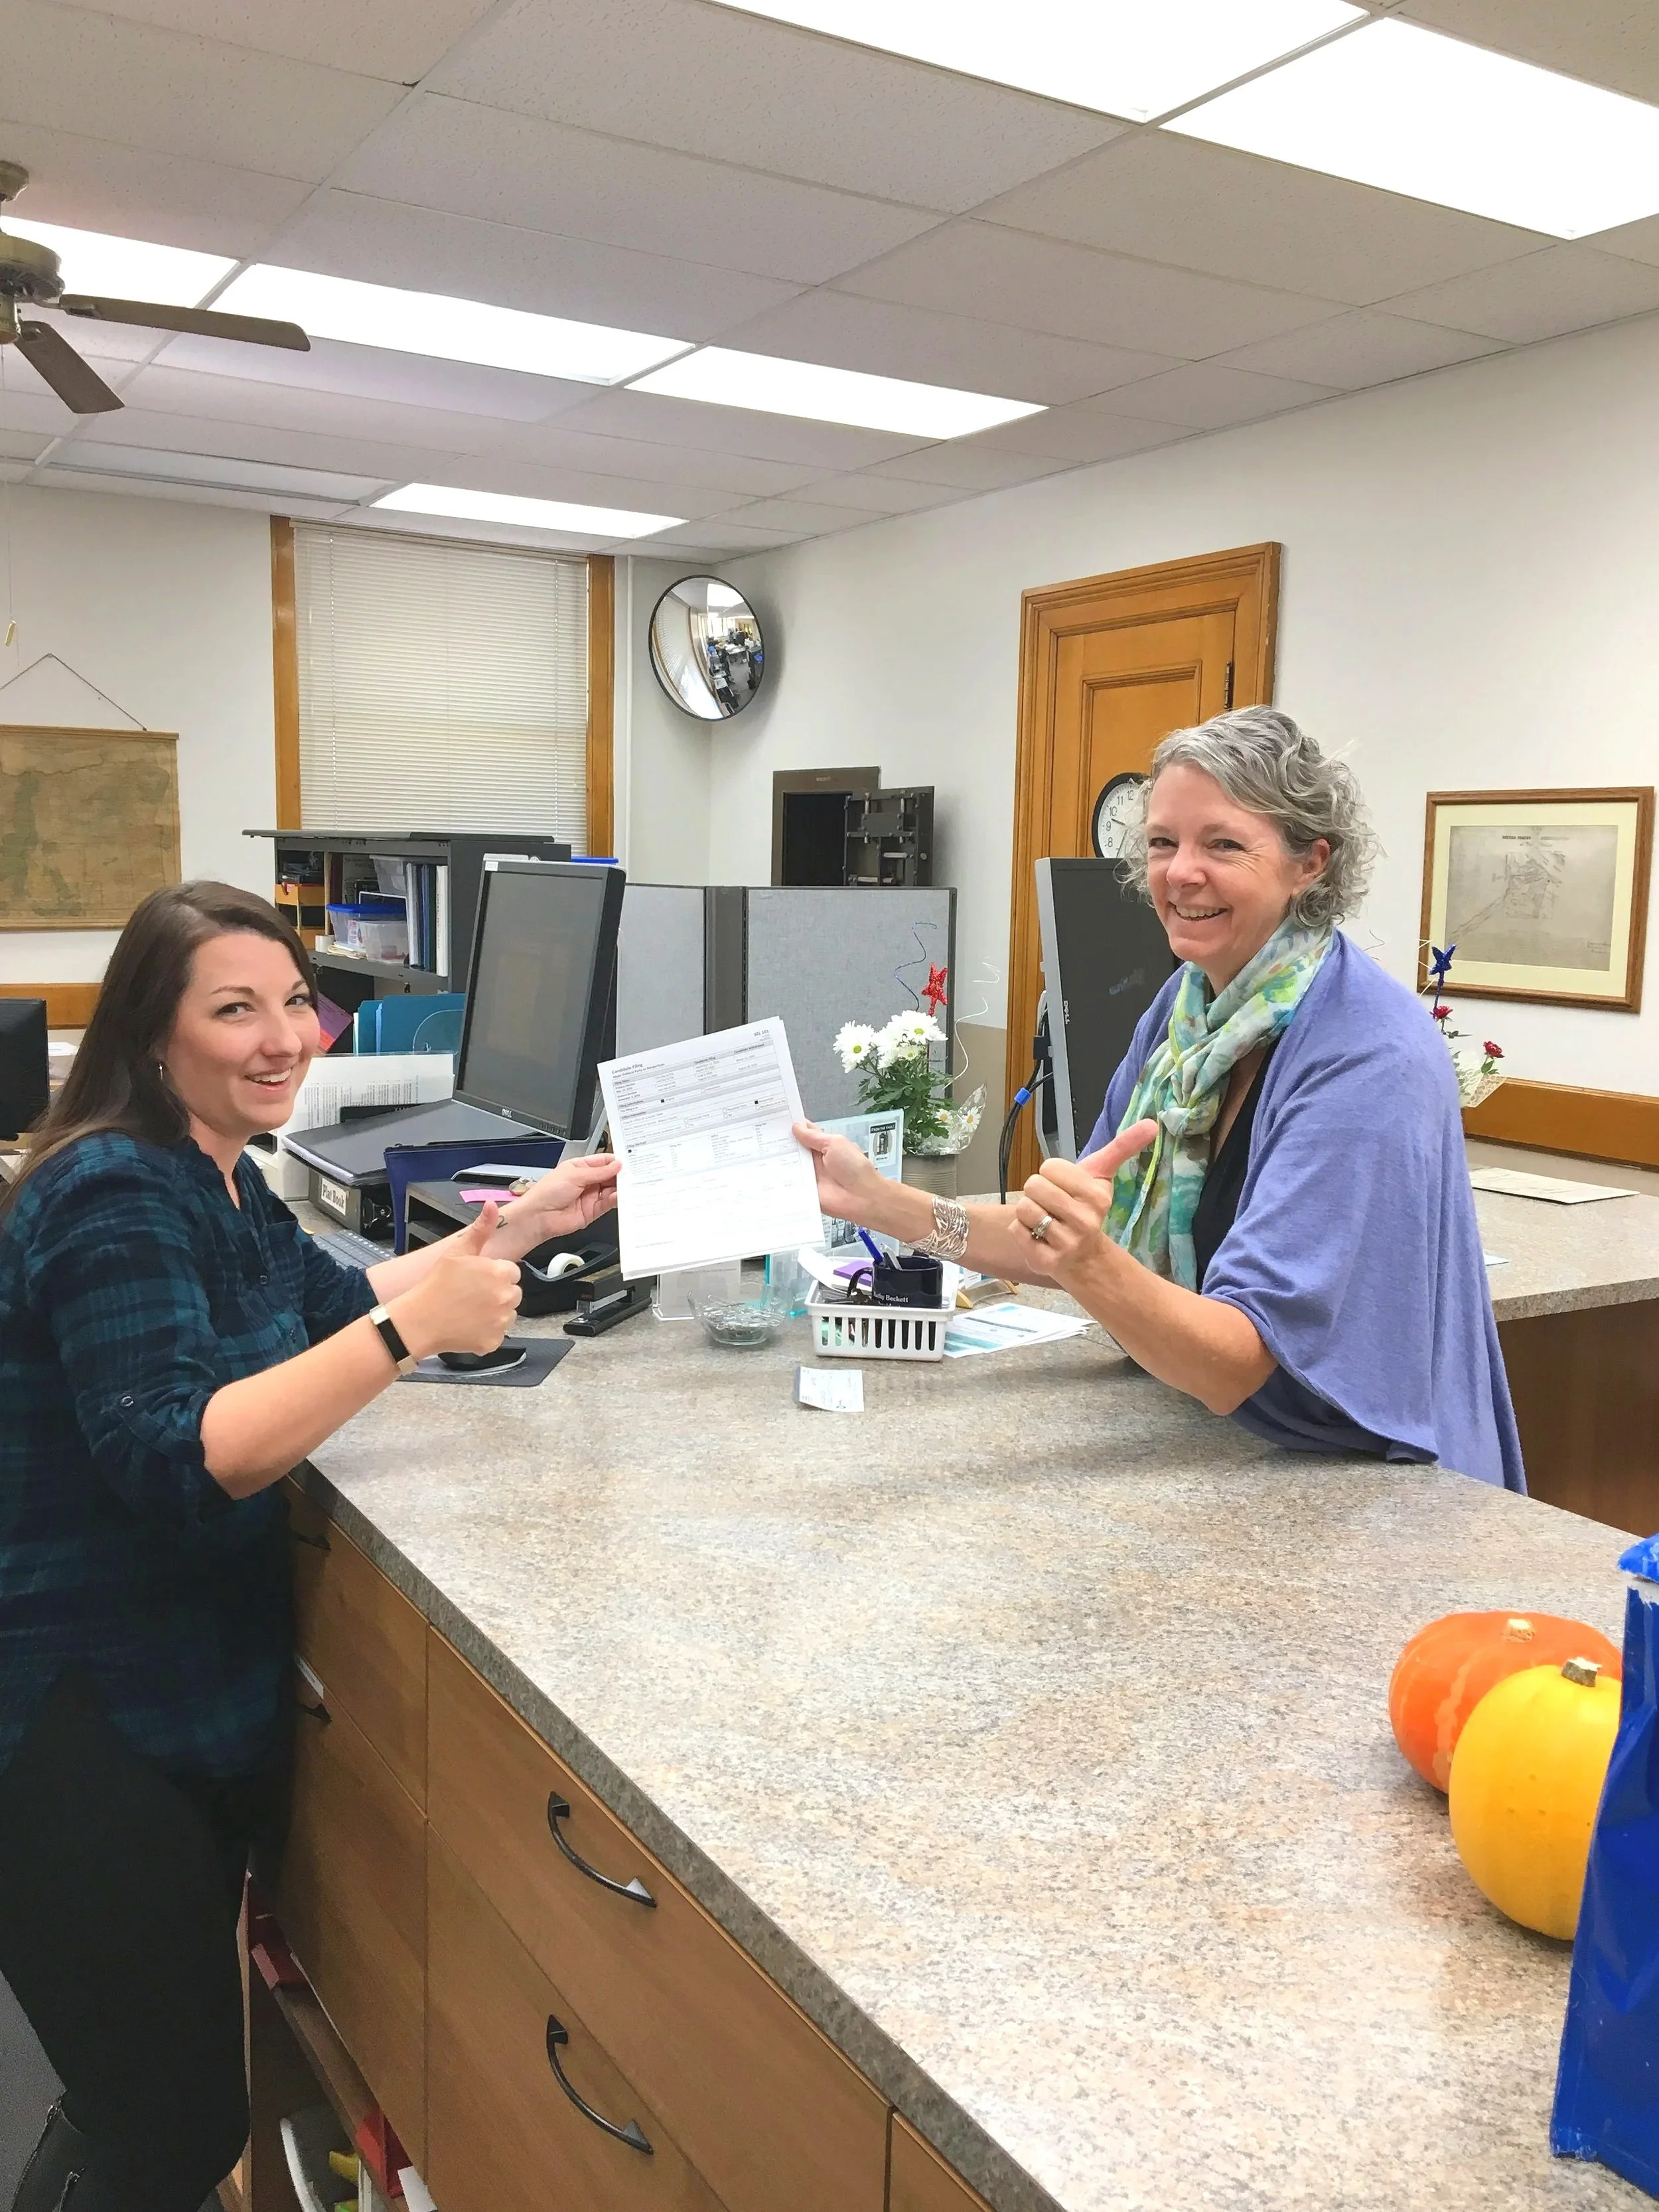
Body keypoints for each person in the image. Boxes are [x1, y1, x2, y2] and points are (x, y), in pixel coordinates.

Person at [0, 881, 618, 2212]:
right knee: (161, 2124)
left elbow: (321, 1298)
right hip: (72, 1719)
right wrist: (416, 1334)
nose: (283, 1035)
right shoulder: (114, 1192)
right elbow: (180, 1451)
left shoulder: (210, 1172)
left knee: (147, 2102)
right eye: (235, 1008)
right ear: (148, 1036)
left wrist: (518, 1227)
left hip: (158, 1701)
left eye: (295, 1001)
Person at [796, 707, 1522, 1492]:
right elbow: (1058, 1233)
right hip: (1240, 1448)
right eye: (1161, 843)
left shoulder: (1362, 1053)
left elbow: (1235, 1359)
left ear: (1310, 863)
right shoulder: (1188, 1015)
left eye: (1222, 844)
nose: (1180, 873)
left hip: (1369, 1476)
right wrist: (876, 1203)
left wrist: (1091, 1261)